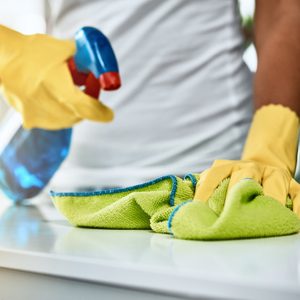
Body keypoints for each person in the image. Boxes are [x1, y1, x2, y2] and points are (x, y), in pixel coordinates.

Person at [0, 0, 299, 209]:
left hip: (209, 182)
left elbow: (283, 8)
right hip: (62, 194)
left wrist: (272, 136)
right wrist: (10, 54)